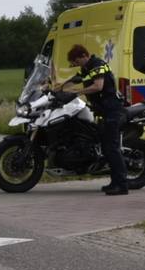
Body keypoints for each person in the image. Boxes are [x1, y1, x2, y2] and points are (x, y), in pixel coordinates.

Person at [54, 44, 129, 195]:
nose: (76, 65)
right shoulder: (87, 68)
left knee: (111, 147)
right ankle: (114, 182)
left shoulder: (97, 64)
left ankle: (122, 185)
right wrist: (59, 88)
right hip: (104, 110)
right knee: (105, 147)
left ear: (83, 56)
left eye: (76, 61)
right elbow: (76, 79)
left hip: (112, 109)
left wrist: (77, 92)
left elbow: (98, 86)